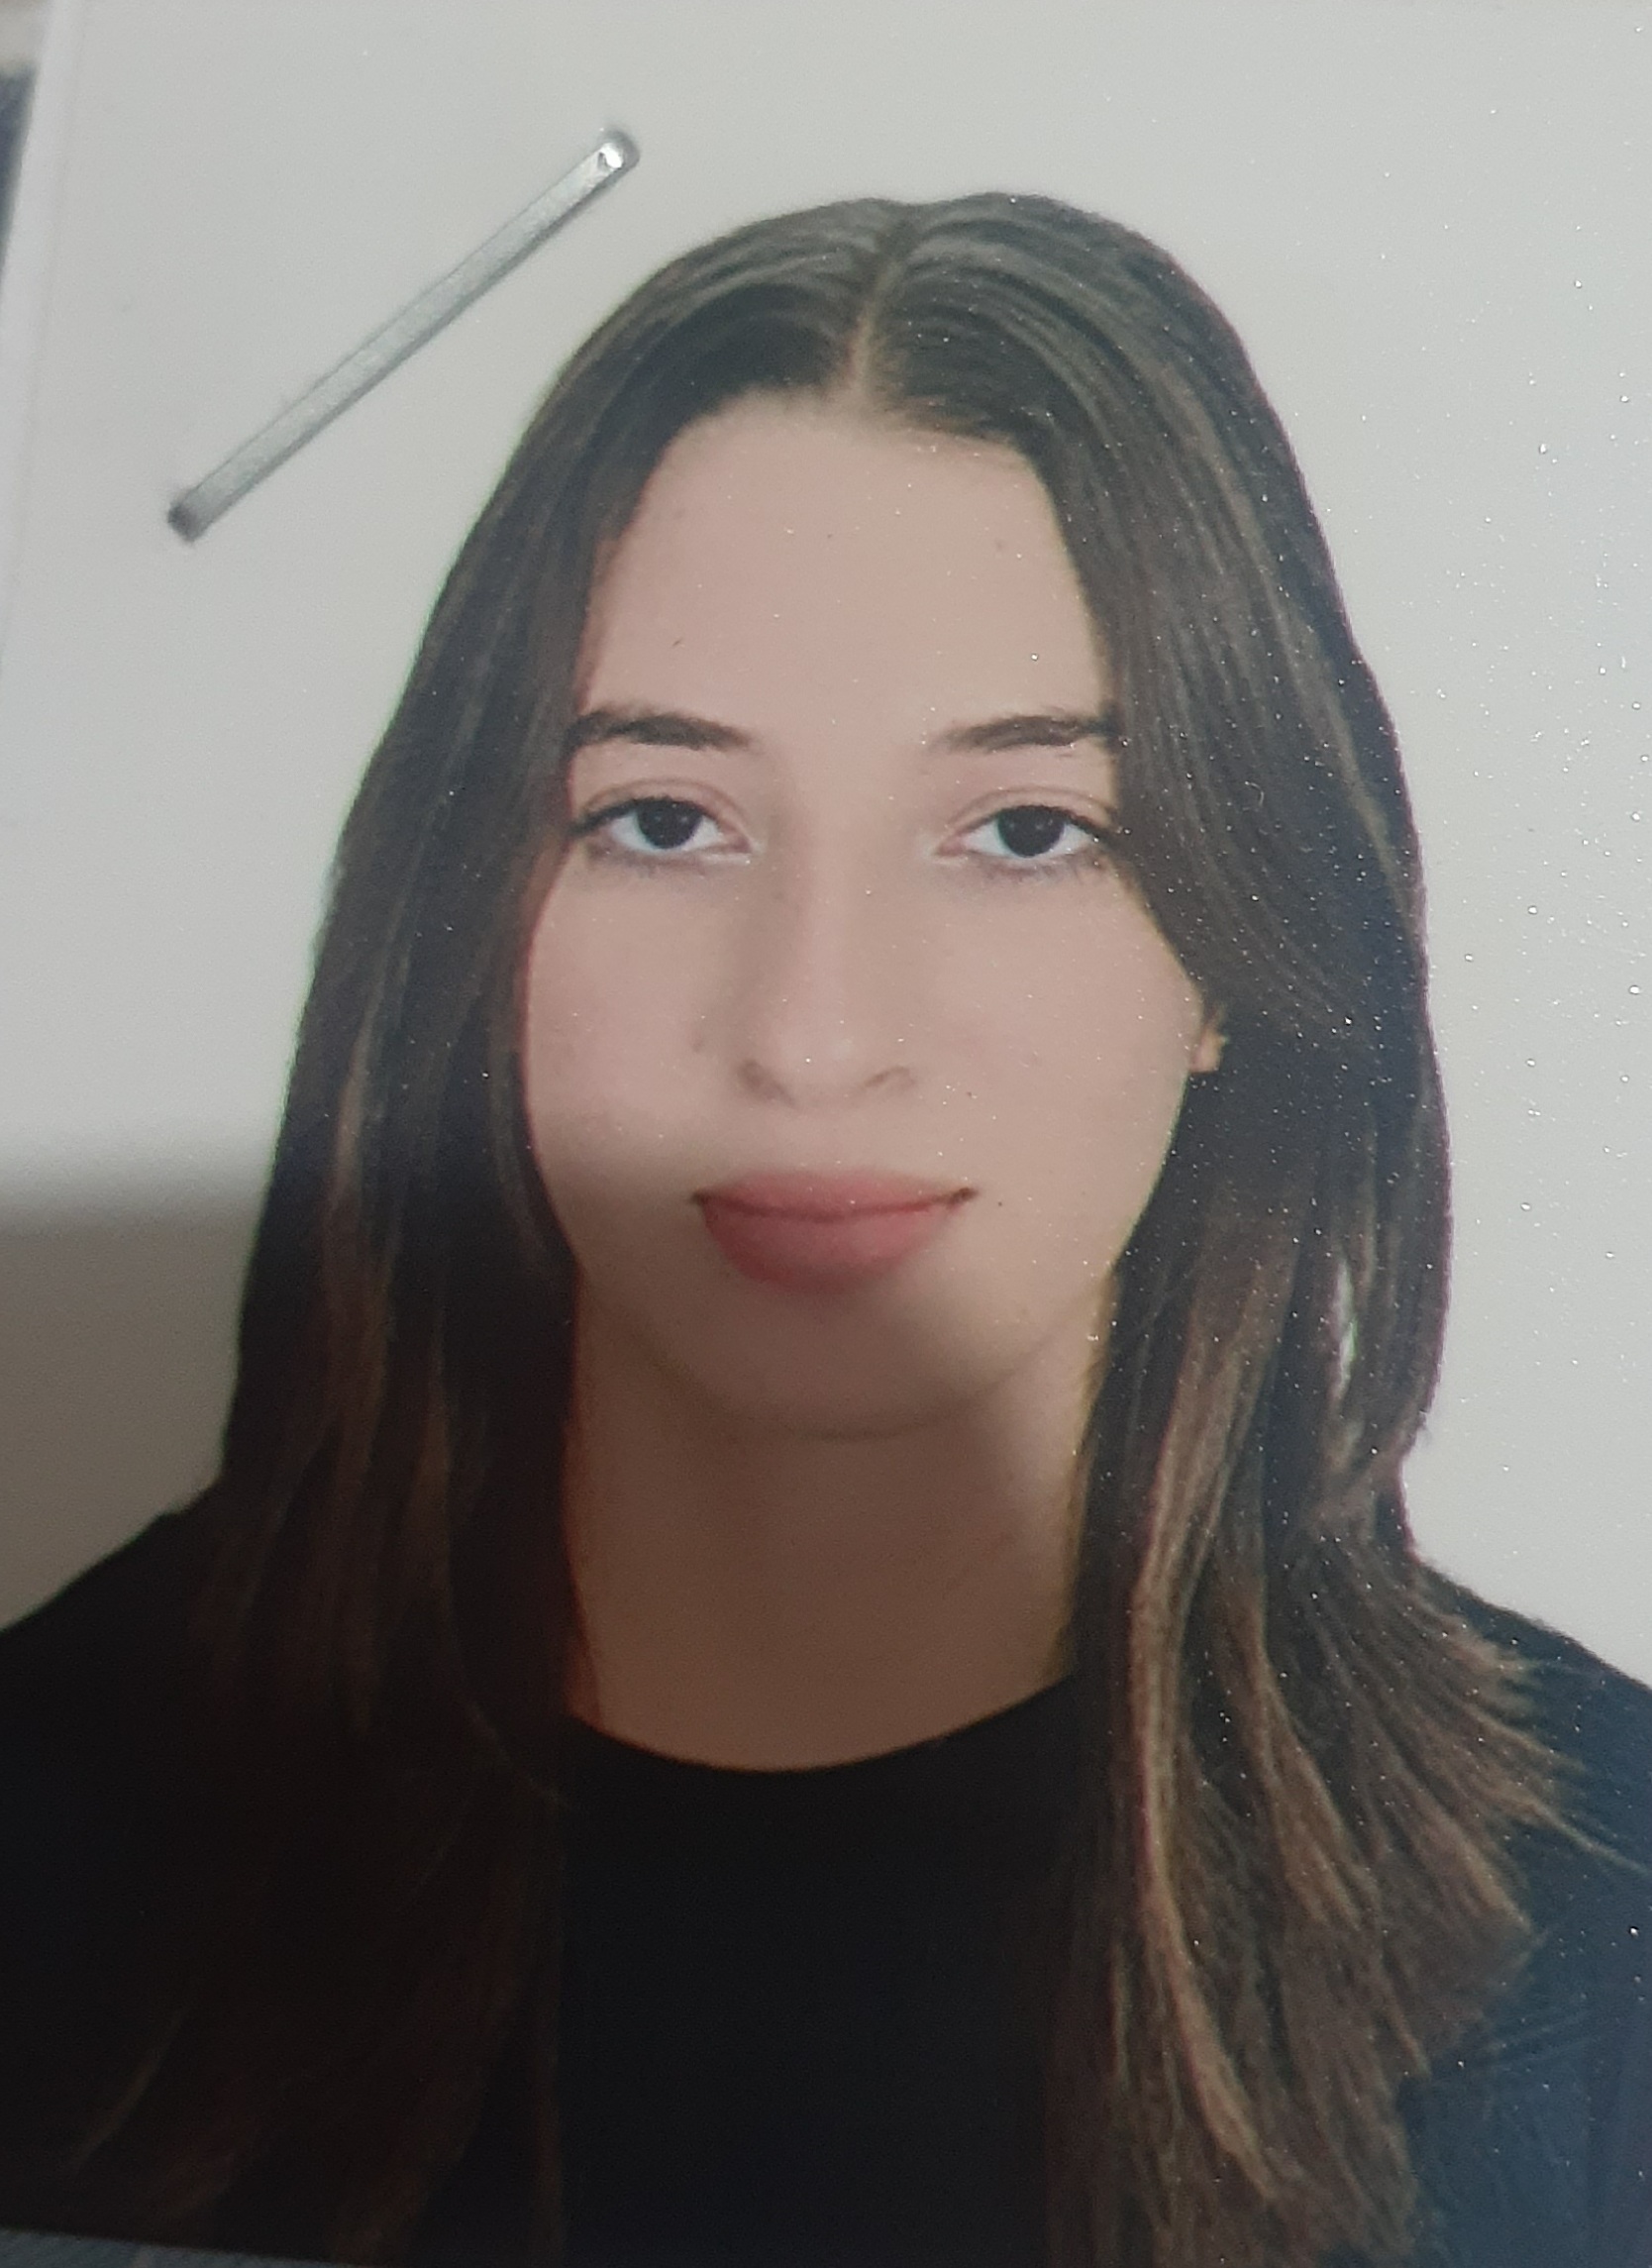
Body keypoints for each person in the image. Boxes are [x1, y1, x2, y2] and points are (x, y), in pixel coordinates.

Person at [0, 192, 1648, 2268]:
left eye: (1026, 831)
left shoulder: (1604, 1921)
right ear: (470, 914)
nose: (812, 1031)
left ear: (1241, 949)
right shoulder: (56, 1820)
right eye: (664, 821)